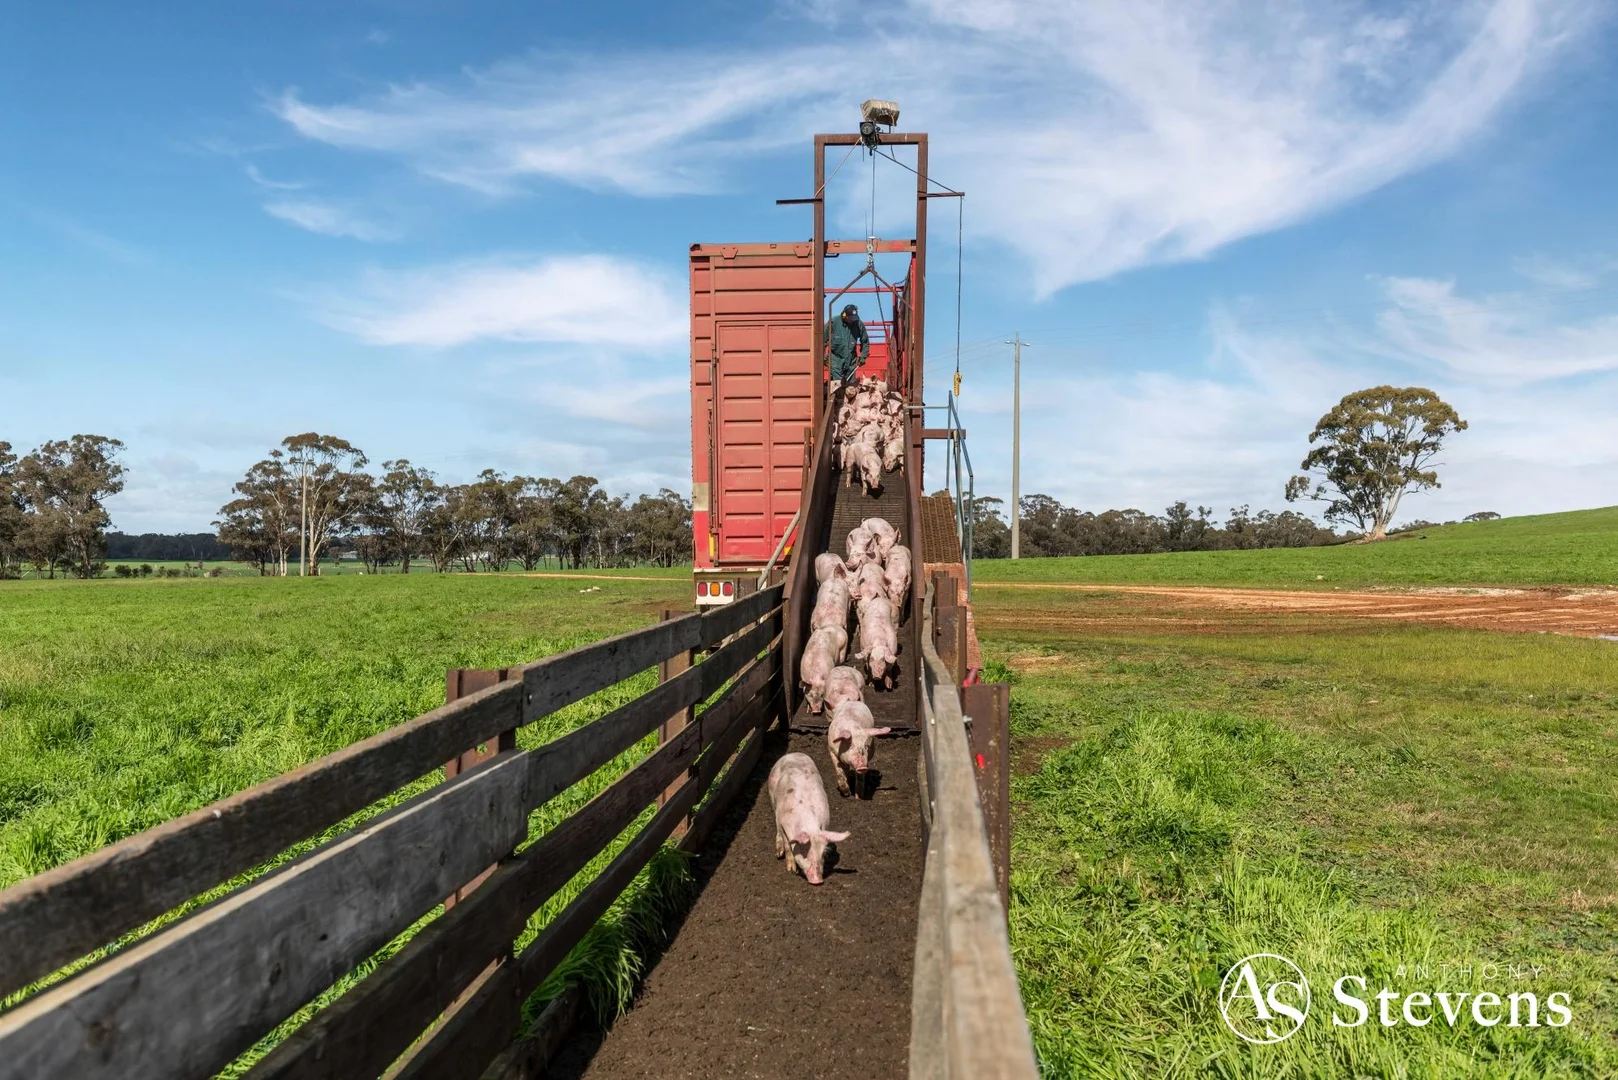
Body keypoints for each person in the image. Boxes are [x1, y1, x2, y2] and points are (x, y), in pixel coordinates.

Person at [826, 303, 870, 386]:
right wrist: (824, 357)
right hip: (836, 360)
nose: (852, 321)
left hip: (851, 361)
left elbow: (865, 342)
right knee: (837, 385)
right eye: (850, 319)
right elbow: (823, 340)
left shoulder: (858, 324)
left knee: (850, 387)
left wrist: (863, 356)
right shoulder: (834, 322)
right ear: (844, 315)